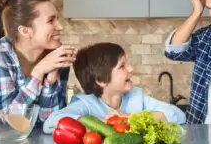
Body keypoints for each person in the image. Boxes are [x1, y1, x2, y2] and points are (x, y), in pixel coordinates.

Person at [0, 0, 77, 125]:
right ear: (25, 31)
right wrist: (38, 72)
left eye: (57, 19)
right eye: (51, 20)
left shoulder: (56, 56)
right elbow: (7, 121)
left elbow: (50, 123)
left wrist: (51, 79)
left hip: (41, 142)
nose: (59, 26)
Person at [43, 42, 185, 134]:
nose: (131, 68)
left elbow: (178, 114)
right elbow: (51, 122)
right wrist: (105, 122)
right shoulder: (85, 103)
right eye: (122, 66)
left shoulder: (136, 96)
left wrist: (130, 118)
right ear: (101, 80)